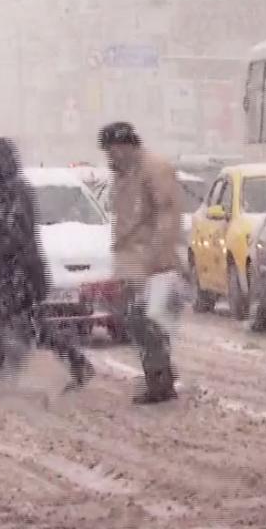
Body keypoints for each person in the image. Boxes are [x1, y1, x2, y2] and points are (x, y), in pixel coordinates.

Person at [0, 138, 94, 395]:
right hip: (11, 271)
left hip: (19, 272)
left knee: (23, 325)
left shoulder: (14, 191)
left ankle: (77, 363)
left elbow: (13, 233)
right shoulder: (4, 189)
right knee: (16, 323)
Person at [99, 122, 184, 404]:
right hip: (132, 262)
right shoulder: (125, 174)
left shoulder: (153, 169)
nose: (109, 158)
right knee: (136, 323)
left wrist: (157, 257)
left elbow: (167, 216)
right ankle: (157, 377)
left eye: (110, 151)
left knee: (146, 321)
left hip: (151, 263)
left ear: (124, 147)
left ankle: (161, 381)